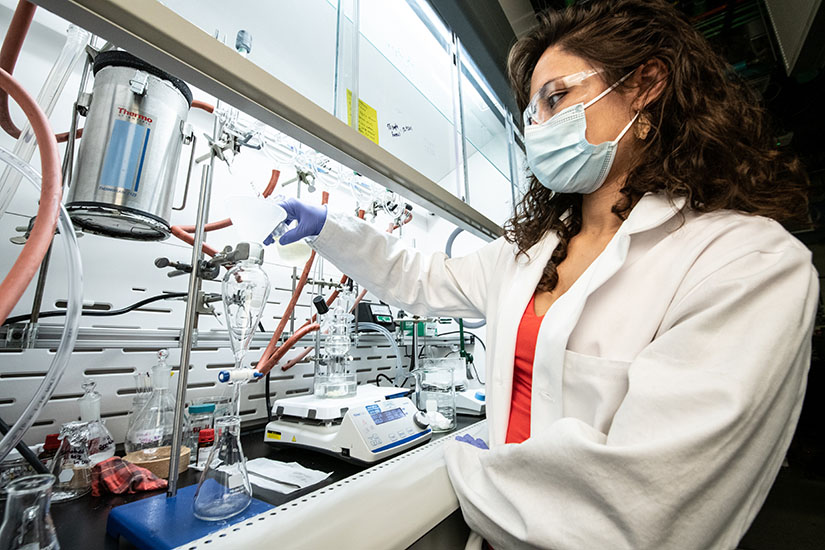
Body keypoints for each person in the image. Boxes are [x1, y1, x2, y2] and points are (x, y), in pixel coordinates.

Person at [266, 0, 818, 548]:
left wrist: (452, 466)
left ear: (646, 83)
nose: (541, 130)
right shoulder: (529, 255)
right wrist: (330, 231)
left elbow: (642, 510)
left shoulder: (745, 262)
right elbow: (420, 278)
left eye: (557, 99)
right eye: (533, 116)